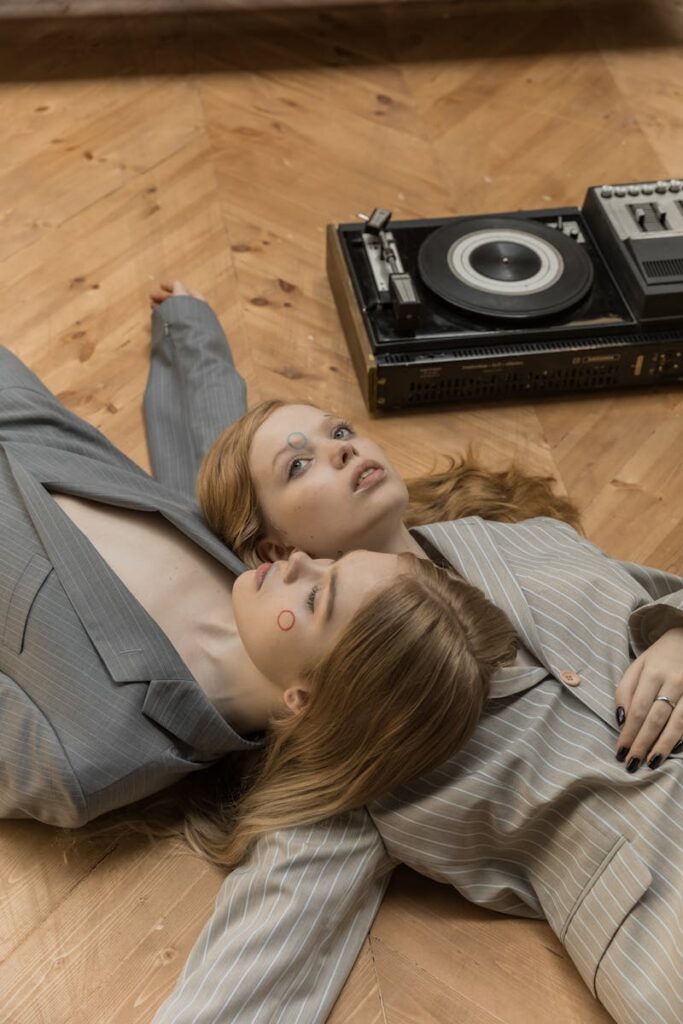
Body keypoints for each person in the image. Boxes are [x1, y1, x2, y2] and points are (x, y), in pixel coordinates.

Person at [134, 285, 682, 1024]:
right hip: (661, 914)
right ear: (274, 549)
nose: (341, 448)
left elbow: (658, 592)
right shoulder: (358, 730)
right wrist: (187, 331)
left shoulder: (525, 538)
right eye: (301, 466)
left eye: (336, 432)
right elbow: (250, 971)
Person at [0, 291, 518, 829]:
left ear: (305, 699)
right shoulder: (246, 563)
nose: (299, 562)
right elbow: (221, 442)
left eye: (319, 597)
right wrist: (188, 320)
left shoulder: (91, 757)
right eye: (331, 564)